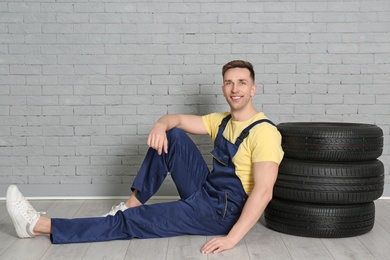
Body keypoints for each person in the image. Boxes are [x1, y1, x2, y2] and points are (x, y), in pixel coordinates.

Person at [6, 60, 284, 254]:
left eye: (242, 83)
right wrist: (160, 126)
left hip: (220, 214)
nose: (235, 89)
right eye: (229, 83)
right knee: (172, 134)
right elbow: (174, 119)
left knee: (139, 221)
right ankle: (130, 205)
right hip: (207, 191)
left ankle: (40, 226)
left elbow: (263, 192)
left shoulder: (264, 133)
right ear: (223, 87)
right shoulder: (221, 120)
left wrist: (232, 238)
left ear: (253, 89)